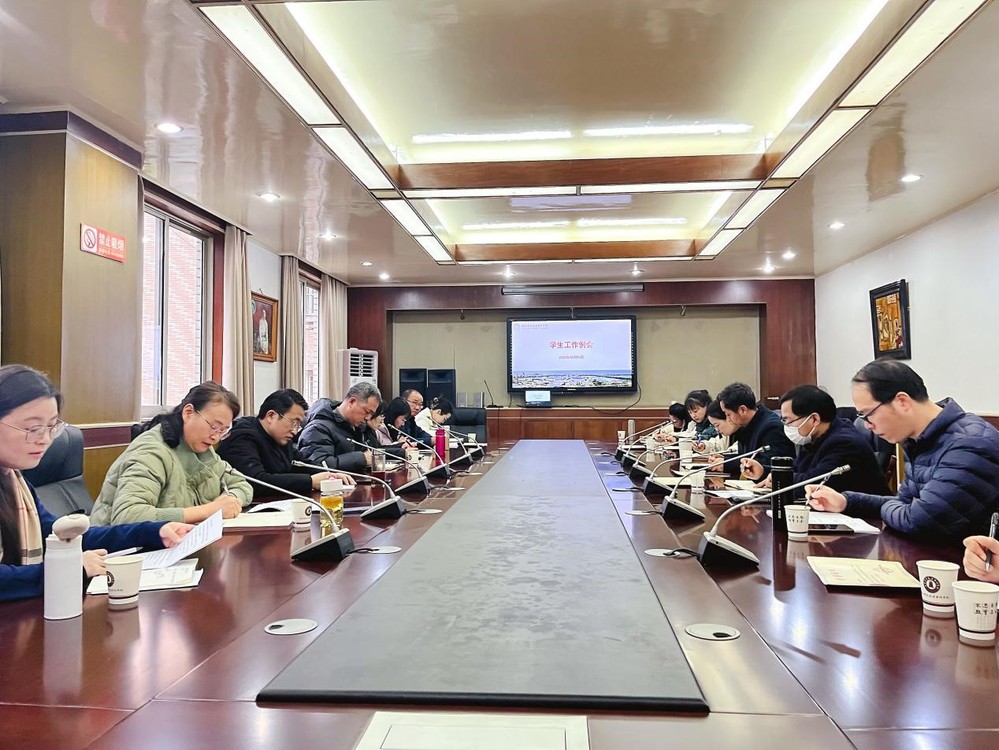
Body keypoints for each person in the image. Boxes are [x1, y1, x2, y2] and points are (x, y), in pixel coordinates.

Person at [0, 365, 192, 602]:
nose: (45, 440)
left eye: (51, 427)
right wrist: (67, 569)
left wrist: (151, 532)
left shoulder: (15, 481)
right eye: (33, 428)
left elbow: (64, 536)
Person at [808, 360, 999, 540]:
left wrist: (901, 507)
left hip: (960, 560)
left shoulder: (970, 444)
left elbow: (919, 520)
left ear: (902, 401)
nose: (867, 425)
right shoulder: (921, 440)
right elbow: (904, 504)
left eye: (867, 415)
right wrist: (846, 501)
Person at [90, 382, 253, 525]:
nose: (215, 437)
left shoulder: (201, 448)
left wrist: (230, 499)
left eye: (223, 431)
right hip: (117, 547)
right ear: (188, 413)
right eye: (214, 426)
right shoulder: (151, 452)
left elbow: (241, 485)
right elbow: (128, 516)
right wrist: (210, 510)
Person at [741, 385, 891, 495]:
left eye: (788, 421)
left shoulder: (844, 443)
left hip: (868, 523)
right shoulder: (814, 437)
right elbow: (797, 471)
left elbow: (814, 483)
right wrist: (763, 471)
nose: (786, 426)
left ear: (814, 419)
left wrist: (779, 479)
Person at [216, 389, 355, 499]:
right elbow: (256, 482)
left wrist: (329, 475)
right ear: (271, 416)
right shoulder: (242, 437)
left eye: (298, 425)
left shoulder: (280, 437)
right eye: (293, 422)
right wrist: (310, 481)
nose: (295, 431)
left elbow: (302, 464)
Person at [297, 382, 382, 472]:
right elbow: (318, 465)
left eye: (371, 414)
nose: (368, 418)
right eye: (367, 412)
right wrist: (361, 459)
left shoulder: (357, 426)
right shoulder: (318, 428)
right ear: (352, 402)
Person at [717, 382, 795, 478]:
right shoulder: (745, 425)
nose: (728, 419)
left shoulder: (771, 427)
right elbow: (747, 456)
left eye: (728, 414)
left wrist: (727, 464)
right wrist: (725, 459)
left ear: (743, 410)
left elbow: (770, 463)